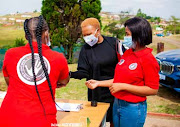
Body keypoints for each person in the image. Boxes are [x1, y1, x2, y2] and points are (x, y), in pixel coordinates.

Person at [86, 17, 160, 127]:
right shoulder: (128, 53)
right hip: (118, 103)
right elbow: (119, 80)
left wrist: (123, 87)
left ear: (139, 34)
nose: (125, 37)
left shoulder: (148, 59)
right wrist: (98, 83)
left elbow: (153, 89)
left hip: (133, 107)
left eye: (128, 34)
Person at [0, 16, 69, 127]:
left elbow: (10, 82)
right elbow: (64, 81)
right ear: (46, 33)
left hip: (8, 118)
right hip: (41, 120)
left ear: (26, 35)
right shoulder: (58, 58)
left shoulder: (10, 54)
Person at [70, 17, 126, 127]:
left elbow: (125, 65)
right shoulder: (85, 49)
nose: (86, 38)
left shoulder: (114, 43)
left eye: (89, 34)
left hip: (115, 90)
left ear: (98, 31)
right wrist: (69, 74)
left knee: (115, 122)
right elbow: (83, 72)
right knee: (98, 121)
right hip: (96, 93)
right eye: (84, 35)